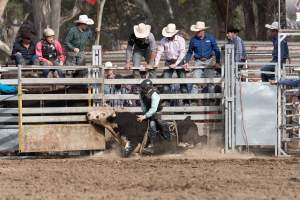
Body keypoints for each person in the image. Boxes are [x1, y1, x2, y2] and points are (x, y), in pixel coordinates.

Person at [184, 21, 221, 103]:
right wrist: (187, 62)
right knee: (195, 80)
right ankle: (193, 99)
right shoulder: (193, 40)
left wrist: (218, 62)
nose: (197, 32)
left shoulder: (210, 38)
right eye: (196, 31)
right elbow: (190, 52)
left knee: (210, 81)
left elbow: (216, 50)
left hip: (209, 61)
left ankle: (211, 99)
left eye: (198, 31)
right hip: (198, 61)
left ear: (203, 31)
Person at [154, 23, 188, 106]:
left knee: (183, 82)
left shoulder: (181, 40)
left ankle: (186, 101)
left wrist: (176, 64)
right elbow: (159, 52)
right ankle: (167, 100)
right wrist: (156, 63)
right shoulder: (163, 40)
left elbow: (182, 53)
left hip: (179, 61)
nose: (169, 36)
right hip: (168, 61)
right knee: (166, 82)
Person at [136, 79, 170, 153]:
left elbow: (154, 109)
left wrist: (145, 116)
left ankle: (154, 145)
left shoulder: (155, 95)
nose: (142, 89)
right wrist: (145, 114)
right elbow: (143, 105)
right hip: (148, 112)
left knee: (153, 124)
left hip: (156, 112)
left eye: (143, 88)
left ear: (147, 88)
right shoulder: (141, 94)